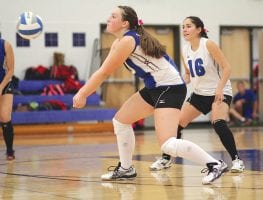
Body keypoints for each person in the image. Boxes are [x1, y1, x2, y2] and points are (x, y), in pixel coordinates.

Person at [73, 6, 227, 184]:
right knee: (121, 121)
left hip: (170, 88)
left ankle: (214, 164)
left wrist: (82, 93)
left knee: (167, 143)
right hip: (154, 87)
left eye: (113, 16)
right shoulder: (121, 42)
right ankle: (126, 168)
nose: (108, 19)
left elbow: (104, 72)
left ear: (125, 23)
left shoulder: (127, 41)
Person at [150, 16, 245, 173]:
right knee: (176, 124)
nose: (184, 29)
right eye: (183, 27)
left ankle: (237, 161)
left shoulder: (208, 44)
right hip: (200, 93)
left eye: (188, 26)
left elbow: (227, 67)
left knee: (218, 122)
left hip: (219, 92)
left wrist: (220, 89)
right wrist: (179, 82)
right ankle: (166, 159)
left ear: (199, 29)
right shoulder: (185, 49)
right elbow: (188, 74)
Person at [0, 38, 15, 160]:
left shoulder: (5, 45)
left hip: (5, 83)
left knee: (5, 117)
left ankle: (10, 150)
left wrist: (0, 87)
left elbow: (10, 71)